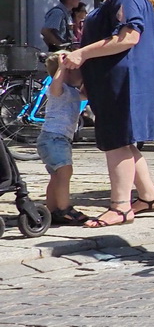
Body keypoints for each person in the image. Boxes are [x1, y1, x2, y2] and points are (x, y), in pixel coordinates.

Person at [62, 0, 154, 228]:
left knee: (117, 142)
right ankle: (148, 196)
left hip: (124, 79)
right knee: (125, 140)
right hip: (116, 79)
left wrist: (82, 54)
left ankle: (120, 206)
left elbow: (129, 37)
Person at [39, 52, 85, 227]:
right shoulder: (59, 89)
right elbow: (56, 84)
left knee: (56, 176)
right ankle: (64, 209)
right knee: (65, 173)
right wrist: (62, 66)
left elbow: (87, 93)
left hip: (58, 140)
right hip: (53, 138)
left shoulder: (73, 92)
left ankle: (51, 210)